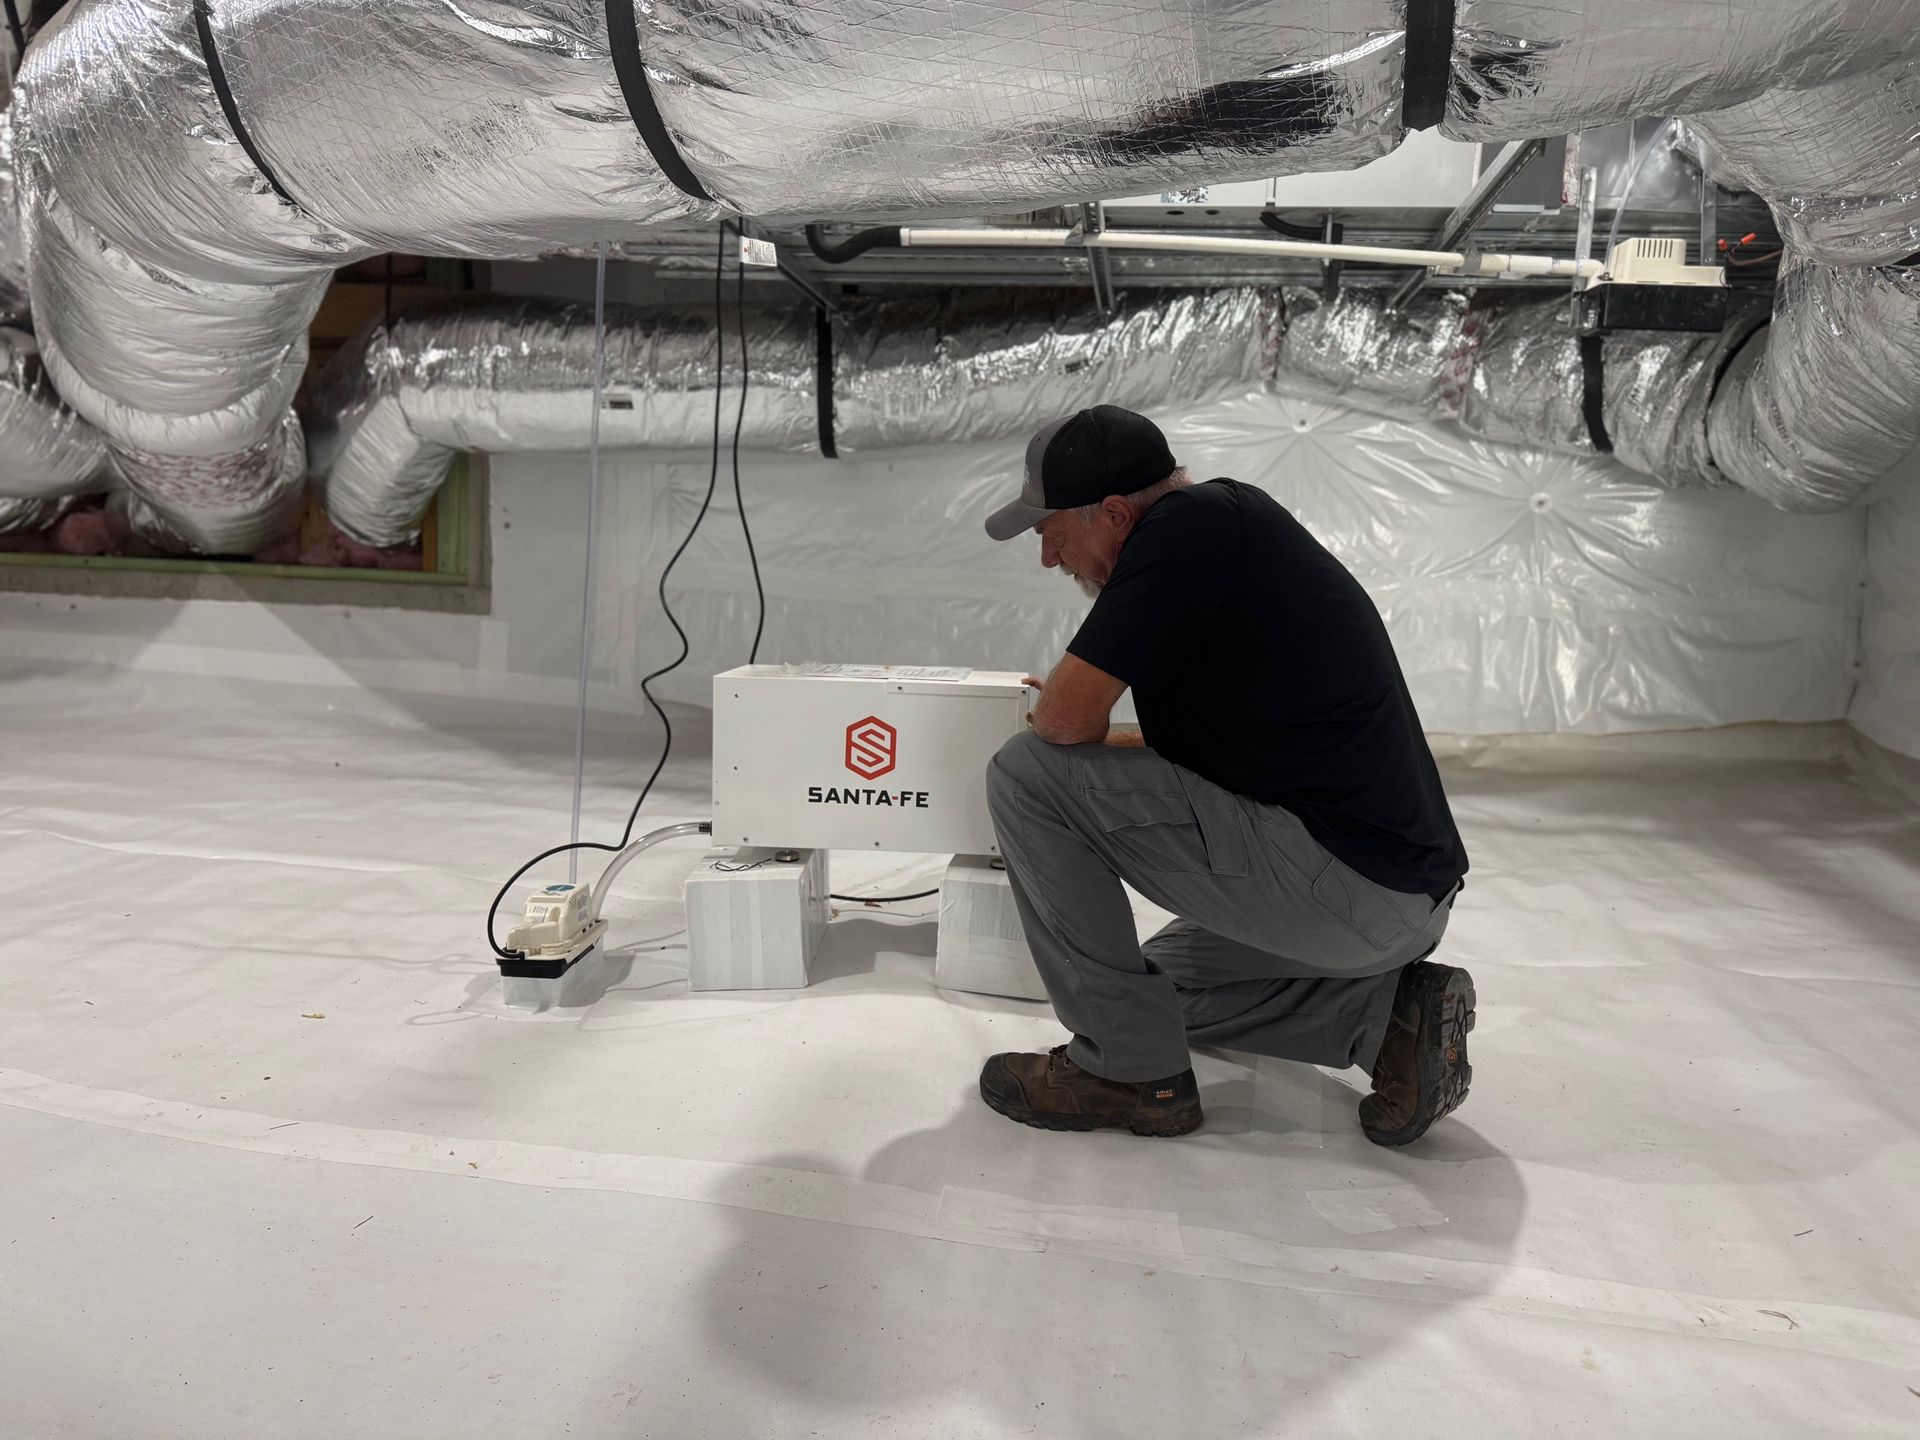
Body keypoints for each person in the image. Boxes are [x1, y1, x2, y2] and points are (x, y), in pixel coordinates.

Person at [977, 404, 1473, 1144]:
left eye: (1052, 535)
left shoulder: (1182, 531)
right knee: (1152, 986)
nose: (1051, 559)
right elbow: (1210, 741)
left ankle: (1127, 1073)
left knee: (1024, 775)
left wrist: (1067, 719)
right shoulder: (1230, 528)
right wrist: (1103, 737)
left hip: (1348, 886)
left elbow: (1058, 724)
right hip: (1395, 898)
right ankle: (1385, 1025)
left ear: (1112, 514)